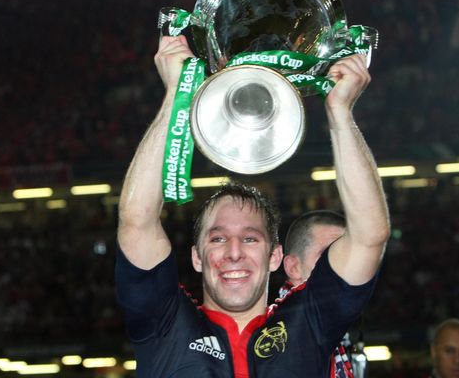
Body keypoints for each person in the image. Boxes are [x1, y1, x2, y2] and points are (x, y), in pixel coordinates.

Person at [115, 34, 390, 377]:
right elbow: (136, 220)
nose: (233, 253)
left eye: (250, 239)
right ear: (196, 257)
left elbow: (369, 236)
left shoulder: (308, 325)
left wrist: (339, 112)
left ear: (275, 256)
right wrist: (176, 94)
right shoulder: (166, 323)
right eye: (217, 238)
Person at [281, 210, 357, 378]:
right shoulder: (285, 335)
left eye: (348, 257)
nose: (342, 267)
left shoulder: (318, 325)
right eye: (327, 255)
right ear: (293, 267)